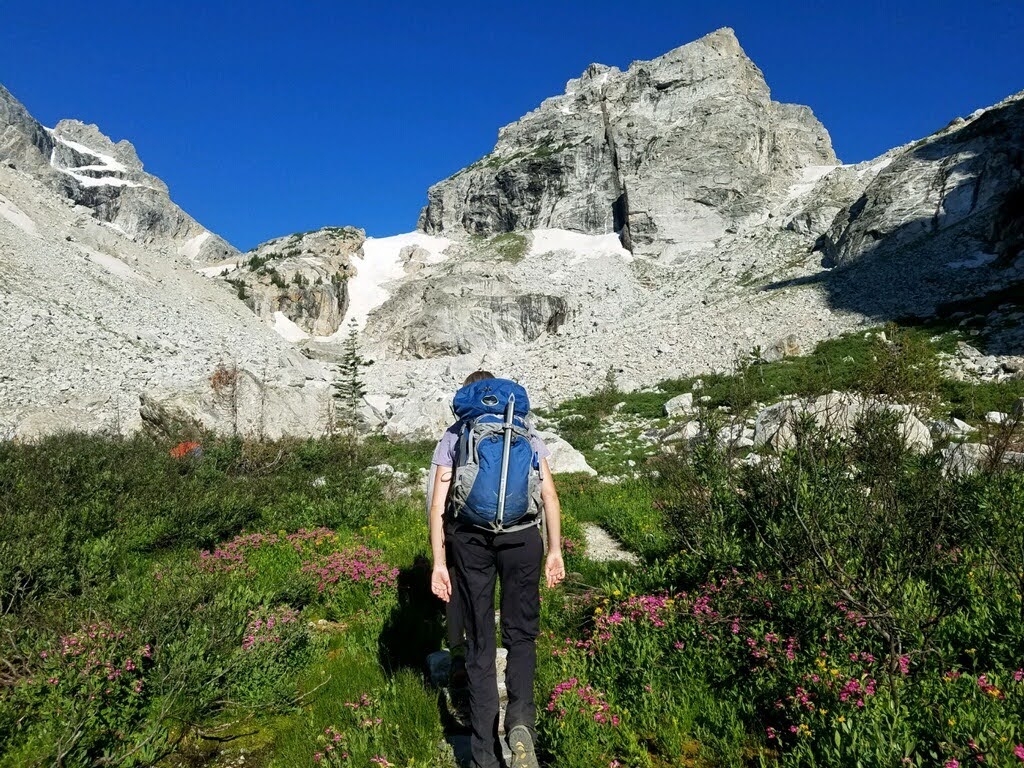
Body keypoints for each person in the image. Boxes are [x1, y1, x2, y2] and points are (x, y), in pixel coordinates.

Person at [429, 371, 566, 768]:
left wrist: (439, 562)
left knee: (480, 643)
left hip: (471, 540)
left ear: (467, 396)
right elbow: (550, 495)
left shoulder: (456, 434)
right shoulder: (523, 430)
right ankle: (521, 723)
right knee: (521, 636)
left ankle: (485, 753)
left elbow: (439, 506)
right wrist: (554, 550)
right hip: (523, 539)